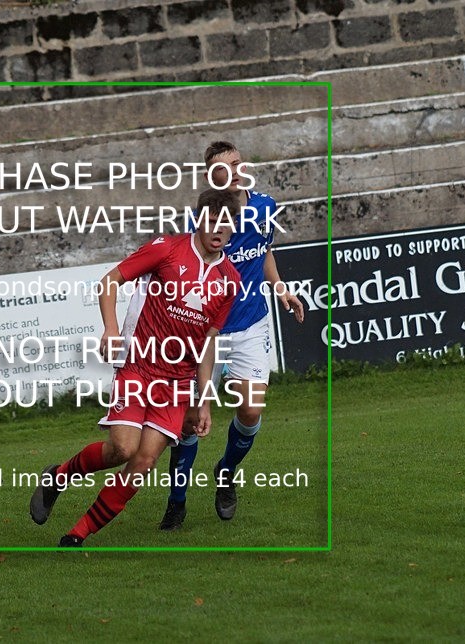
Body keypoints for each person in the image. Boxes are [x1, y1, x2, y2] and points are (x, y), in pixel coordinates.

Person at [29, 188, 241, 547]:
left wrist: (203, 400)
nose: (218, 229)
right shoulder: (167, 249)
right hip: (138, 366)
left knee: (143, 462)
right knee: (123, 450)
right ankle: (58, 477)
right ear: (199, 219)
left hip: (176, 382)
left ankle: (78, 535)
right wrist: (111, 328)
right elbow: (110, 281)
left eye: (227, 223)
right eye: (212, 220)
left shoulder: (229, 280)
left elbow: (209, 342)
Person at [159, 141, 305, 531]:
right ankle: (177, 502)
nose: (236, 170)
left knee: (251, 411)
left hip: (252, 325)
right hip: (208, 332)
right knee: (190, 423)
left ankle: (225, 472)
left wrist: (281, 290)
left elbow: (264, 251)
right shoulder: (203, 219)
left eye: (239, 163)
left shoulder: (265, 207)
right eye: (224, 168)